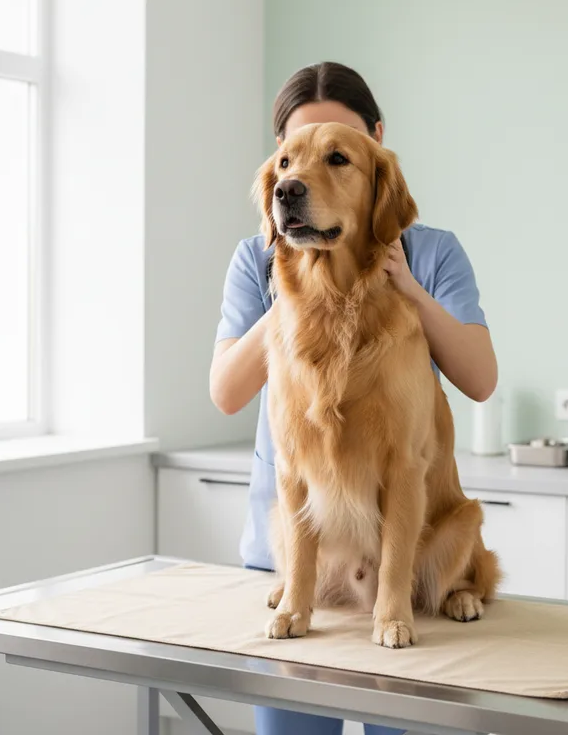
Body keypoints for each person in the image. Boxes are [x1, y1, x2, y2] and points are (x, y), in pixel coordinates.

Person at [210, 61, 497, 735]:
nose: (297, 181)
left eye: (334, 154)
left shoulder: (432, 251)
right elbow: (225, 392)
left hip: (401, 555)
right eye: (288, 160)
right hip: (292, 552)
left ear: (376, 143)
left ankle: (452, 584)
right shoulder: (257, 259)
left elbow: (481, 379)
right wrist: (291, 301)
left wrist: (405, 285)